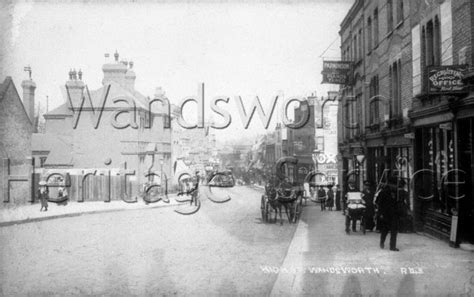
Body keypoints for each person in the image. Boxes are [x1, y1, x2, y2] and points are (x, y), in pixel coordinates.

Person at [377, 177, 402, 251]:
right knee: (385, 230)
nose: (396, 186)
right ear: (390, 184)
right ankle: (382, 242)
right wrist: (380, 213)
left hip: (394, 214)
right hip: (385, 214)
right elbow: (379, 203)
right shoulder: (383, 192)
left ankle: (392, 246)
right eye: (394, 185)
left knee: (394, 230)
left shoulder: (396, 192)